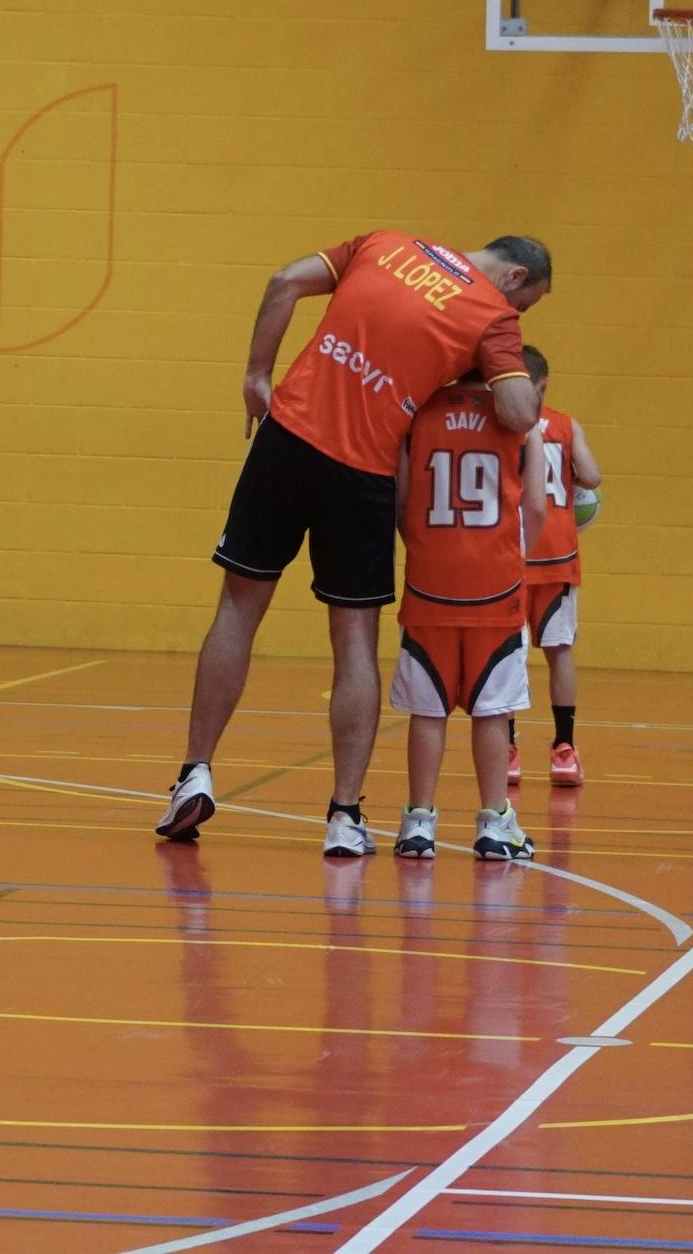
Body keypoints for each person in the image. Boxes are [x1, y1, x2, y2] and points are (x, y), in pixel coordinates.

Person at [154, 232, 551, 852]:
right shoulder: (492, 314)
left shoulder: (384, 243)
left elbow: (284, 280)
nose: (518, 318)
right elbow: (521, 411)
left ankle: (193, 773)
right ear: (516, 279)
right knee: (354, 637)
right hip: (362, 469)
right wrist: (494, 360)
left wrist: (258, 375)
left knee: (237, 608)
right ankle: (344, 815)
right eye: (527, 306)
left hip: (287, 435)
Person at [389, 371, 546, 860]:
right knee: (493, 710)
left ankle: (419, 822)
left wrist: (426, 548)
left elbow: (401, 498)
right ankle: (495, 823)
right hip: (495, 585)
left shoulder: (419, 408)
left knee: (428, 709)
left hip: (430, 581)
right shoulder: (519, 416)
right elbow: (536, 507)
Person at [509, 344, 601, 786]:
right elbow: (592, 476)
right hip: (558, 555)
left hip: (510, 554)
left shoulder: (503, 424)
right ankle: (563, 748)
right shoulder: (565, 426)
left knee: (510, 654)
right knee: (559, 651)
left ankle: (507, 748)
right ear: (545, 384)